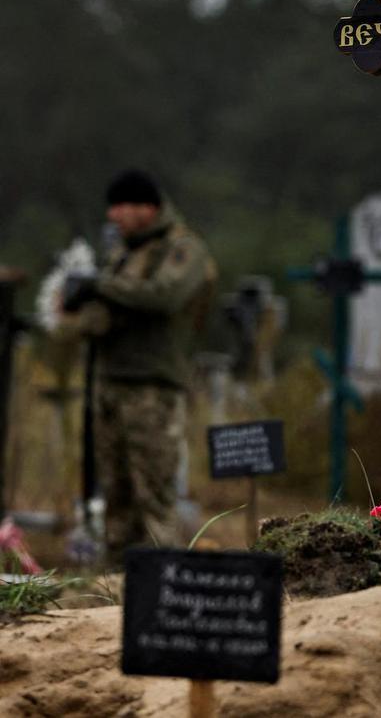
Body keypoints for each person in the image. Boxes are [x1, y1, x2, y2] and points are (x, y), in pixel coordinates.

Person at [61, 170, 216, 559]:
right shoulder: (125, 252)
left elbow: (165, 296)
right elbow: (104, 313)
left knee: (155, 493)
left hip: (153, 386)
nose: (113, 216)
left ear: (147, 208)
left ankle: (163, 580)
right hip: (110, 382)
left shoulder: (183, 249)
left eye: (121, 207)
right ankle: (117, 587)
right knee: (116, 492)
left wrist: (100, 286)